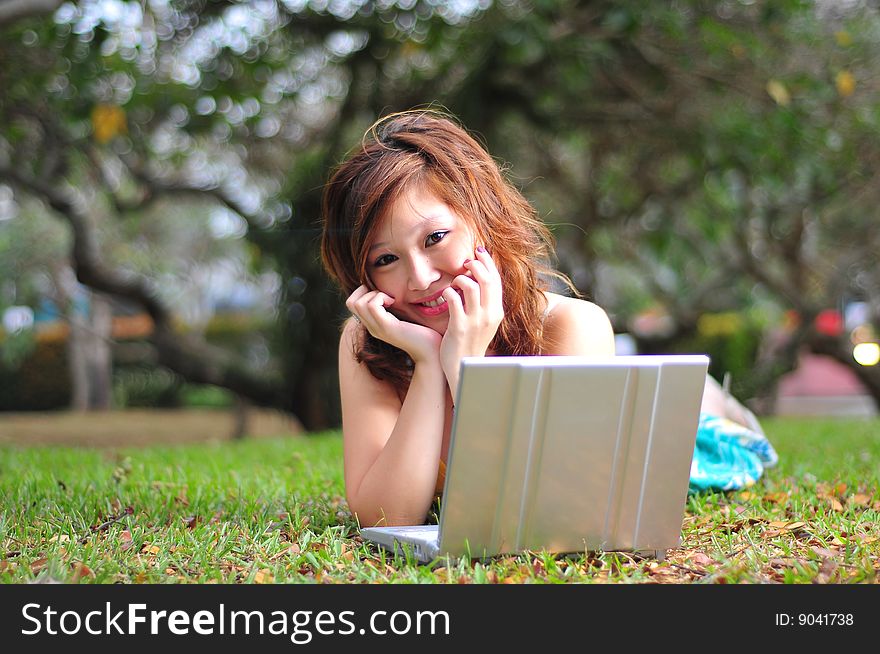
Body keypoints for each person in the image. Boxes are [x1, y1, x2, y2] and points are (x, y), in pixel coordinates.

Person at [320, 109, 775, 528]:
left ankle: (713, 401)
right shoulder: (370, 342)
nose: (419, 278)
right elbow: (385, 517)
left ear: (483, 219)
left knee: (688, 437)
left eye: (435, 237)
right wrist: (426, 363)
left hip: (646, 441)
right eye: (385, 260)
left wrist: (465, 368)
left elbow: (552, 499)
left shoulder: (568, 327)